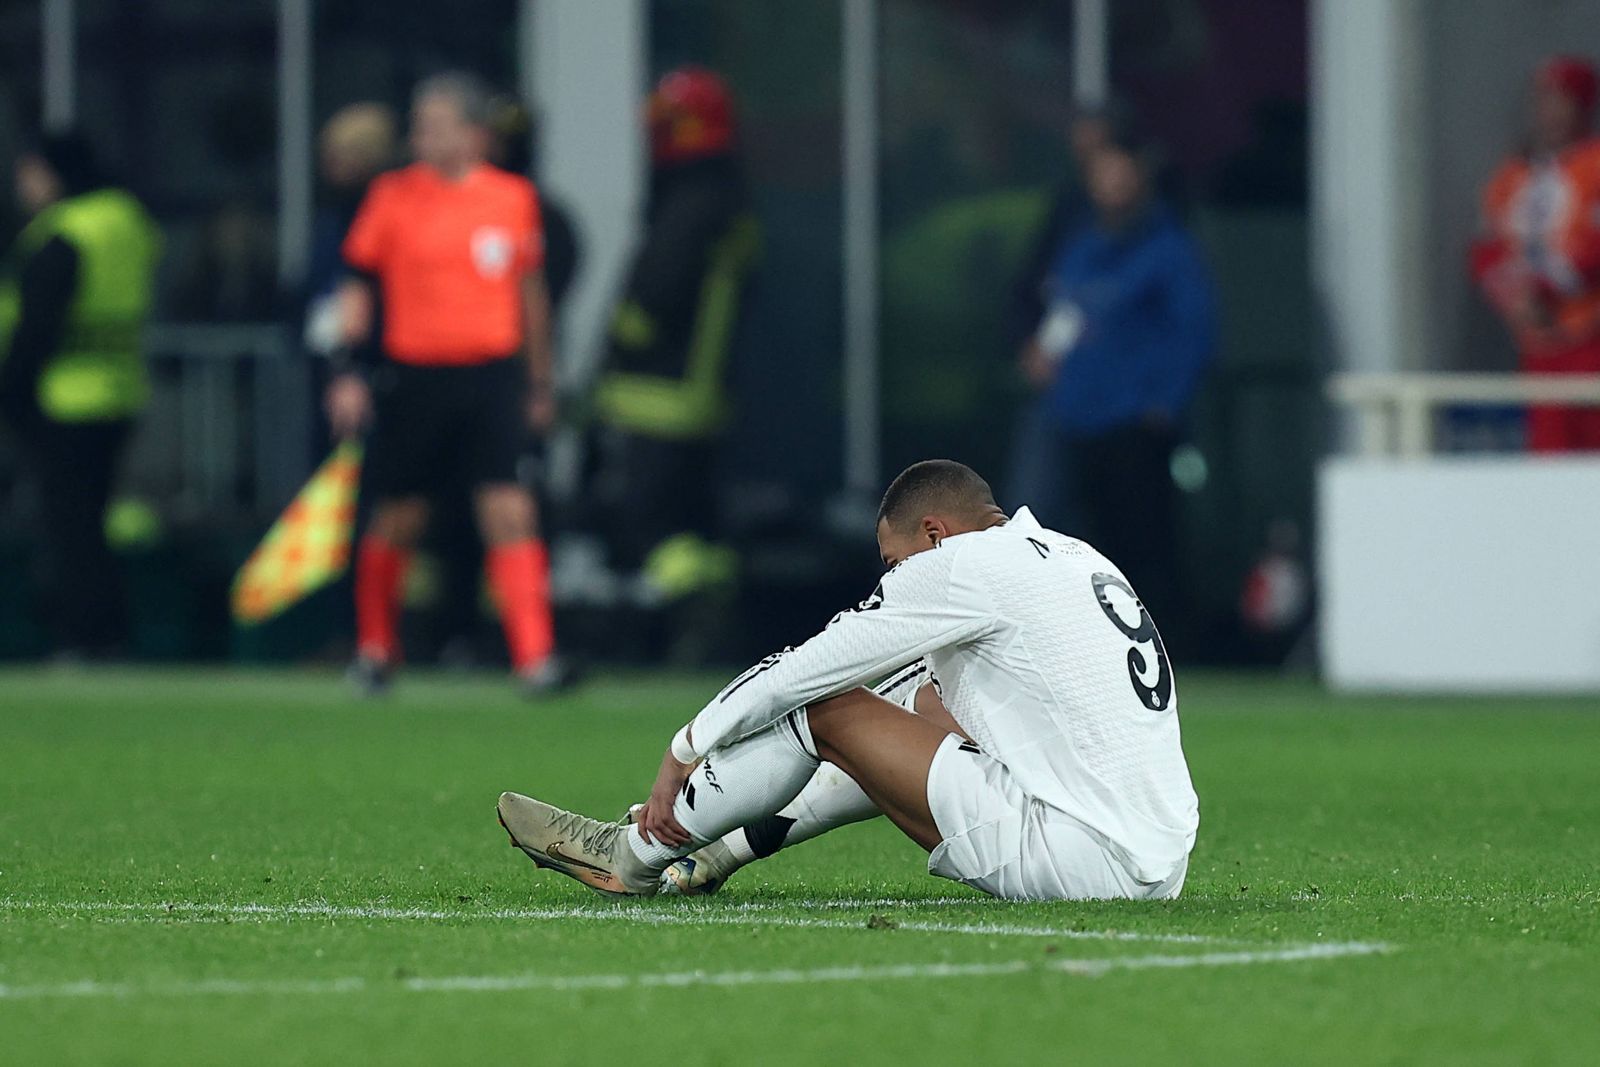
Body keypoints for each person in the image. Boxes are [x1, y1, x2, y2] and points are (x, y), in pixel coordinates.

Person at [497, 460, 1198, 903]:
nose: (894, 581)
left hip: (1081, 856)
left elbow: (805, 668)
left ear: (933, 533)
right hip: (1159, 858)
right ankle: (718, 848)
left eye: (895, 563)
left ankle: (632, 856)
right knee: (912, 699)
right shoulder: (1069, 554)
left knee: (827, 708)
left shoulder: (960, 565)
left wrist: (688, 741)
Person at [326, 72, 569, 695]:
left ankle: (536, 659)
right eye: (420, 124)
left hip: (489, 378)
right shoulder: (392, 196)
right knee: (399, 515)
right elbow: (357, 287)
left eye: (436, 124)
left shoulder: (511, 198)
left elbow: (530, 295)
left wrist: (540, 382)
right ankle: (376, 650)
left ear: (473, 133)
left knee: (510, 510)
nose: (422, 136)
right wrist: (348, 371)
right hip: (415, 378)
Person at [1005, 129, 1215, 630]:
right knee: (1054, 534)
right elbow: (1066, 309)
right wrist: (1042, 353)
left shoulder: (1169, 250)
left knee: (1137, 543)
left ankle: (1159, 648)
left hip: (1132, 420)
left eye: (1120, 171)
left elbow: (1194, 333)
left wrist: (1163, 403)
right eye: (1102, 173)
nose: (1111, 184)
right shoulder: (1083, 245)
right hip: (1072, 413)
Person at [587, 66, 758, 599]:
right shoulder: (727, 200)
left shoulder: (689, 205)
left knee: (650, 520)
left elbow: (654, 297)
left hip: (655, 395)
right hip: (699, 392)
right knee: (696, 520)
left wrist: (615, 344)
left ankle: (676, 615)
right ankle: (708, 615)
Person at [0, 132, 161, 659]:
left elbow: (37, 328)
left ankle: (83, 634)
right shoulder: (125, 221)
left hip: (63, 397)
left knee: (68, 525)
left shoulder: (64, 233)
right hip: (121, 390)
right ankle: (111, 631)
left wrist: (12, 391)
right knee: (95, 519)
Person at [1471, 55, 1600, 452]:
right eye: (1543, 98)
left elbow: (1593, 248)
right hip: (1537, 342)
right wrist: (1515, 298)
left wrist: (1543, 289)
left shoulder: (1594, 164)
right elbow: (1486, 247)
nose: (1550, 110)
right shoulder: (1514, 174)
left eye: (1561, 98)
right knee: (1549, 460)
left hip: (1590, 333)